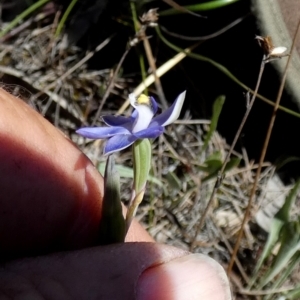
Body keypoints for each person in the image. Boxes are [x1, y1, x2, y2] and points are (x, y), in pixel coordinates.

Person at [0, 88, 231, 299]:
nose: (141, 105)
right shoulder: (127, 131)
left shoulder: (151, 128)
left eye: (143, 107)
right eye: (139, 106)